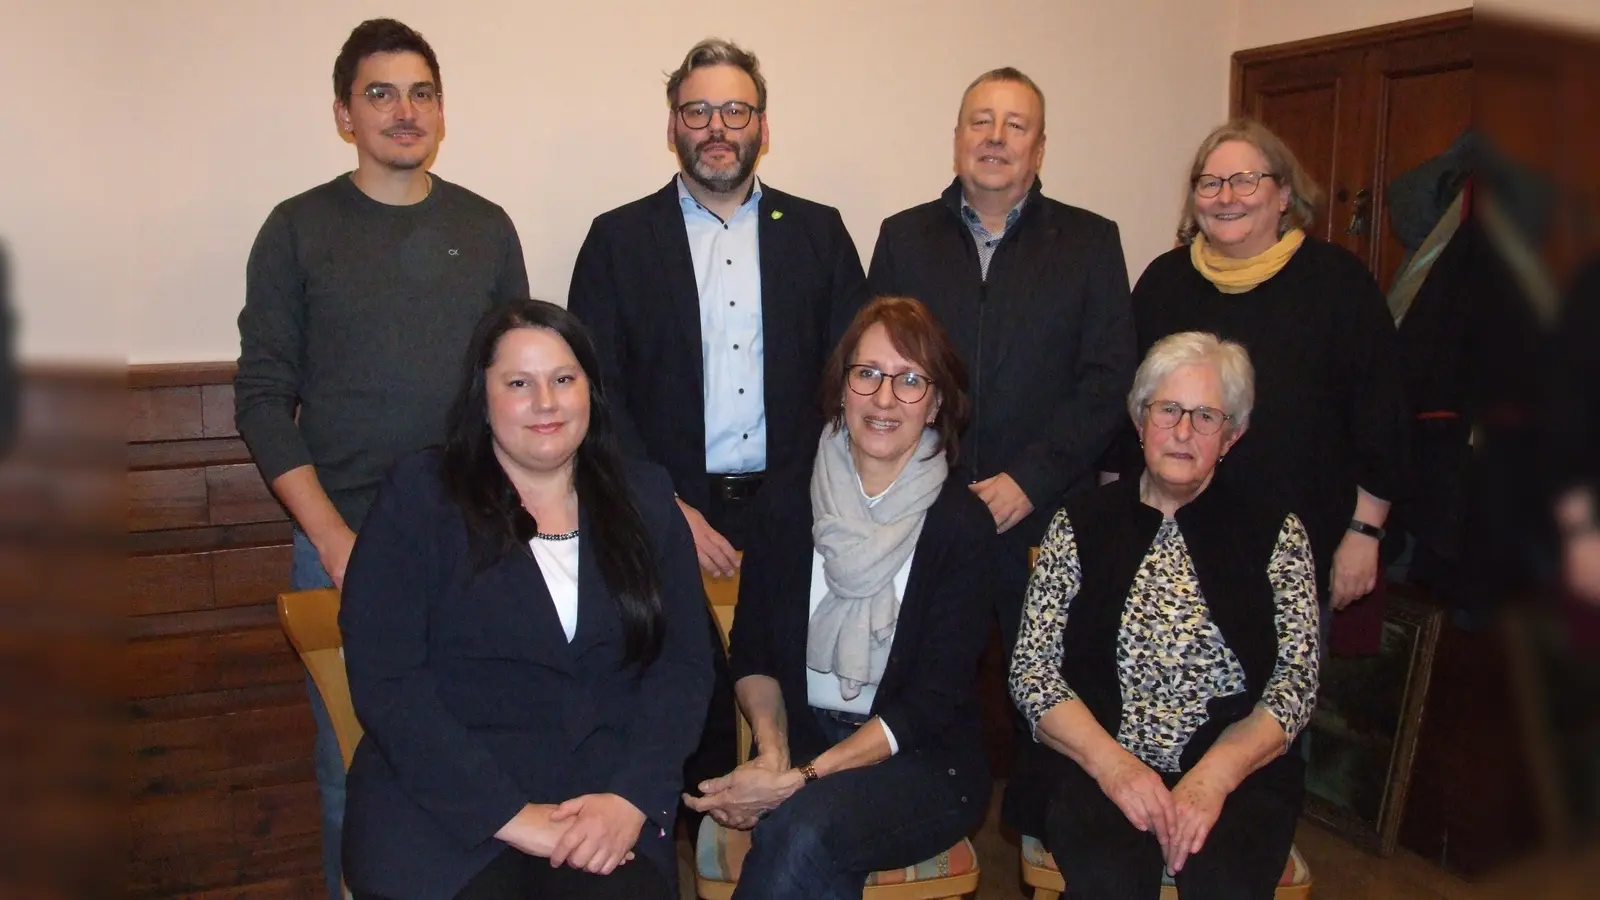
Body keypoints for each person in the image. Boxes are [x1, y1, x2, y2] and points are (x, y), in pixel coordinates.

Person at [232, 19, 528, 899]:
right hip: (346, 543)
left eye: (421, 93)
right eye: (380, 94)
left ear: (442, 109)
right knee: (352, 772)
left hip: (479, 544)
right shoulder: (297, 229)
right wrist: (331, 539)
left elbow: (517, 386)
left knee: (489, 760)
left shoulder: (485, 227)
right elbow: (261, 399)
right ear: (343, 115)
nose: (405, 112)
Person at [567, 36, 865, 806]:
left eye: (736, 109)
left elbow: (854, 383)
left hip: (800, 509)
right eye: (697, 110)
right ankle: (695, 844)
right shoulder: (617, 240)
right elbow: (595, 394)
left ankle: (783, 847)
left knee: (796, 702)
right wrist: (664, 505)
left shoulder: (820, 234)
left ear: (764, 124)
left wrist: (805, 500)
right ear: (672, 125)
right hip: (662, 515)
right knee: (684, 712)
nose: (717, 127)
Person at [338, 300, 711, 900]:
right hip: (443, 806)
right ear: (481, 398)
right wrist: (510, 816)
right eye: (519, 384)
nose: (546, 402)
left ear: (591, 391)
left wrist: (632, 797)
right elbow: (388, 682)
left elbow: (684, 668)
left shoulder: (646, 498)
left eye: (564, 379)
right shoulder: (420, 498)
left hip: (603, 803)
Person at [865, 65, 1136, 833]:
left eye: (1016, 125)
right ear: (956, 138)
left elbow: (1108, 379)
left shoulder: (1091, 242)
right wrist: (927, 476)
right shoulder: (904, 237)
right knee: (913, 680)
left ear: (1039, 148)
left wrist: (1029, 479)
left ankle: (1048, 833)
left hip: (1042, 514)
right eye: (980, 121)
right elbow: (877, 371)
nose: (995, 137)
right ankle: (909, 819)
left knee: (1048, 686)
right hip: (924, 511)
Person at [685, 297, 994, 899]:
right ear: (842, 388)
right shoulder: (786, 503)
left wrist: (799, 779)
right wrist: (773, 752)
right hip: (804, 740)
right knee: (811, 844)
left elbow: (930, 704)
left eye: (910, 380)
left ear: (936, 403)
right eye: (867, 373)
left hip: (922, 764)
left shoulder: (962, 527)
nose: (884, 399)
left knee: (802, 830)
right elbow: (753, 653)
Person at [1010, 332, 1319, 899]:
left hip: (1237, 770)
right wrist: (1115, 767)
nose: (1182, 431)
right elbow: (1033, 670)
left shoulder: (1277, 531)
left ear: (1231, 435)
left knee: (1225, 882)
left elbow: (1296, 681)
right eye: (1168, 409)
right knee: (1109, 881)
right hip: (1096, 759)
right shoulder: (1080, 523)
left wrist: (1217, 775)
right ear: (1139, 419)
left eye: (1206, 416)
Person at [1121, 118, 1410, 620]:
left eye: (1245, 180)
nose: (1226, 196)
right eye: (1210, 183)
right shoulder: (1163, 284)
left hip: (1296, 556)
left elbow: (1384, 418)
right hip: (1171, 549)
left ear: (1284, 195)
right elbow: (1128, 415)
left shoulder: (1338, 285)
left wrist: (1365, 532)